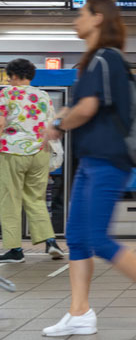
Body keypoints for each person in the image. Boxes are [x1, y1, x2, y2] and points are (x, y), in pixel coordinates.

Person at [42, 0, 136, 336]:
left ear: (97, 18)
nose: (76, 20)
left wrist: (59, 125)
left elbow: (88, 108)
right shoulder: (97, 60)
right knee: (76, 236)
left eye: (81, 14)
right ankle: (79, 313)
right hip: (92, 160)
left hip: (108, 160)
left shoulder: (104, 59)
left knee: (95, 237)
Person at [0, 59, 64, 263]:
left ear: (16, 76)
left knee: (10, 199)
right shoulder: (43, 95)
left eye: (10, 77)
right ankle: (51, 241)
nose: (9, 81)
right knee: (36, 199)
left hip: (13, 151)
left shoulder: (6, 94)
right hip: (40, 152)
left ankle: (15, 249)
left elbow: (1, 122)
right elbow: (51, 124)